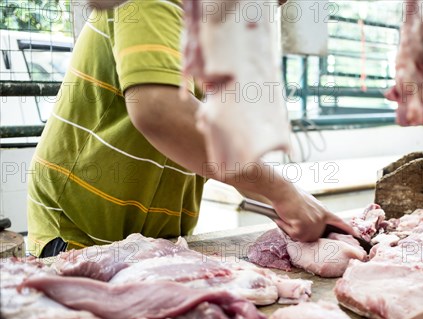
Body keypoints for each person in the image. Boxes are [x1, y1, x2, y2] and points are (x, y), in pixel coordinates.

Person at [27, 0, 352, 257]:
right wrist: (284, 193)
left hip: (155, 243)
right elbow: (159, 110)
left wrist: (290, 200)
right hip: (81, 234)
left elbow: (219, 145)